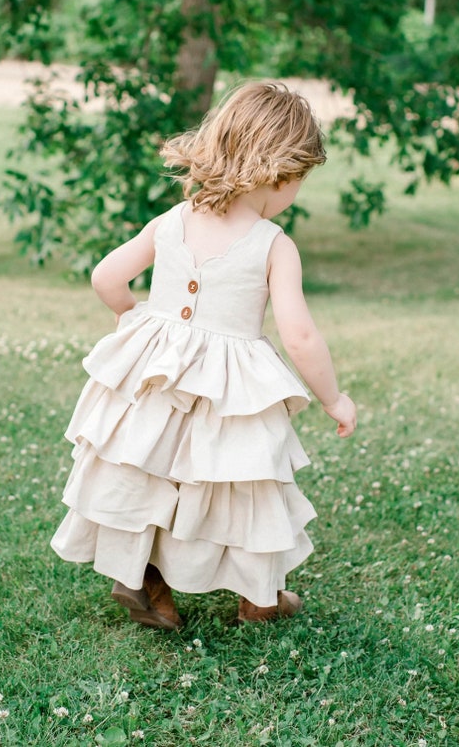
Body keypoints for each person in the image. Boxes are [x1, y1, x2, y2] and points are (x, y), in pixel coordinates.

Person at [51, 80, 357, 628]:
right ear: (282, 174)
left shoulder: (175, 219)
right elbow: (300, 335)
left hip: (155, 375)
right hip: (229, 390)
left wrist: (129, 314)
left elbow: (105, 276)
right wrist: (333, 398)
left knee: (146, 475)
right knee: (243, 486)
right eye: (301, 180)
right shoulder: (273, 244)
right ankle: (259, 597)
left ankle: (145, 579)